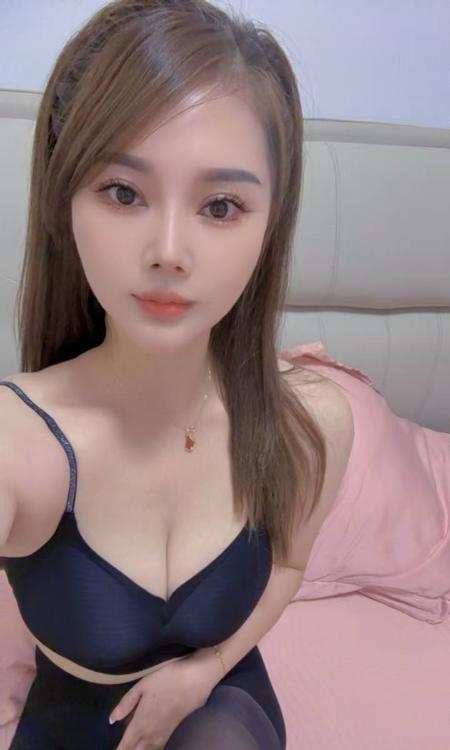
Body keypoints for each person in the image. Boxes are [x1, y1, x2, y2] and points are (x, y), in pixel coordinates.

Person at [0, 1, 355, 748]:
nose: (168, 250)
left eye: (221, 206)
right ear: (65, 201)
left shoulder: (310, 421)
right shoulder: (16, 446)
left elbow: (289, 565)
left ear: (271, 223)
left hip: (228, 696)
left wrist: (208, 669)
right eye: (123, 192)